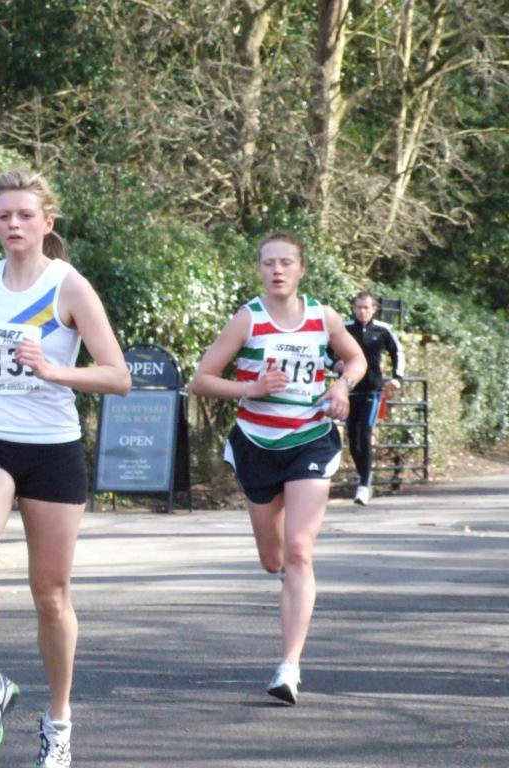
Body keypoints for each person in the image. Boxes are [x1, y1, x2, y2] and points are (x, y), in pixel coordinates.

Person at [0, 169, 130, 767]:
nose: (14, 224)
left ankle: (59, 721)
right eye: (4, 216)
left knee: (50, 596)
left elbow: (118, 376)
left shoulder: (70, 287)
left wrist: (53, 371)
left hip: (52, 449)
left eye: (25, 215)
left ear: (48, 222)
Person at [190, 231, 366, 705]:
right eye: (269, 263)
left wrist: (341, 388)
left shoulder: (323, 316)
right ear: (260, 270)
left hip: (310, 438)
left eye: (286, 262)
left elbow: (355, 358)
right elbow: (201, 380)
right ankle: (285, 578)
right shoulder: (247, 319)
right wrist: (251, 389)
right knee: (274, 560)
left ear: (301, 269)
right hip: (257, 444)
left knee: (300, 551)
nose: (277, 270)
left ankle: (289, 666)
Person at [327, 291, 405, 505]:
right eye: (358, 307)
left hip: (372, 389)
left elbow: (397, 352)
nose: (362, 312)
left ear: (374, 309)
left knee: (364, 433)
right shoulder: (344, 329)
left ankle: (364, 484)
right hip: (349, 390)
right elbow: (325, 351)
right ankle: (363, 478)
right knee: (353, 438)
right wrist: (334, 364)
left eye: (366, 308)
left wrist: (397, 377)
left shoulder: (382, 330)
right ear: (353, 308)